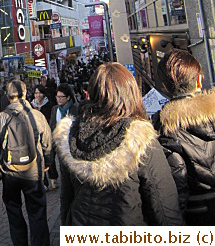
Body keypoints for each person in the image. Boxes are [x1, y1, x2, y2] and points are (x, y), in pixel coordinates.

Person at [54, 62, 183, 225]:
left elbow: (66, 197)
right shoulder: (140, 140)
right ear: (130, 94)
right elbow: (165, 208)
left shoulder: (70, 136)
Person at [0, 79, 52, 246]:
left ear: (8, 96)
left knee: (14, 214)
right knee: (37, 213)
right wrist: (47, 162)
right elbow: (48, 144)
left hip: (10, 173)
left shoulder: (0, 118)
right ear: (24, 94)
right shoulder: (36, 116)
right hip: (33, 170)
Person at [153, 50, 215, 225]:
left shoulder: (165, 129)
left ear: (165, 87)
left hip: (196, 216)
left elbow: (175, 189)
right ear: (199, 80)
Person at [49, 83, 78, 186]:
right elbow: (52, 125)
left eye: (62, 97)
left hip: (71, 146)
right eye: (57, 97)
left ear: (68, 97)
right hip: (59, 145)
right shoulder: (54, 109)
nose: (59, 99)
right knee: (64, 171)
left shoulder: (75, 109)